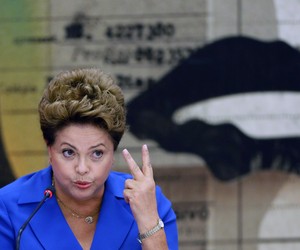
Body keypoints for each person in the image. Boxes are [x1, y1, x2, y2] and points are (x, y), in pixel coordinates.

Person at [0, 68, 178, 249]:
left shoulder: (149, 201)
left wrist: (149, 223)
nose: (82, 168)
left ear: (113, 153)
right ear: (50, 149)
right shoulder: (7, 207)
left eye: (97, 153)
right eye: (69, 152)